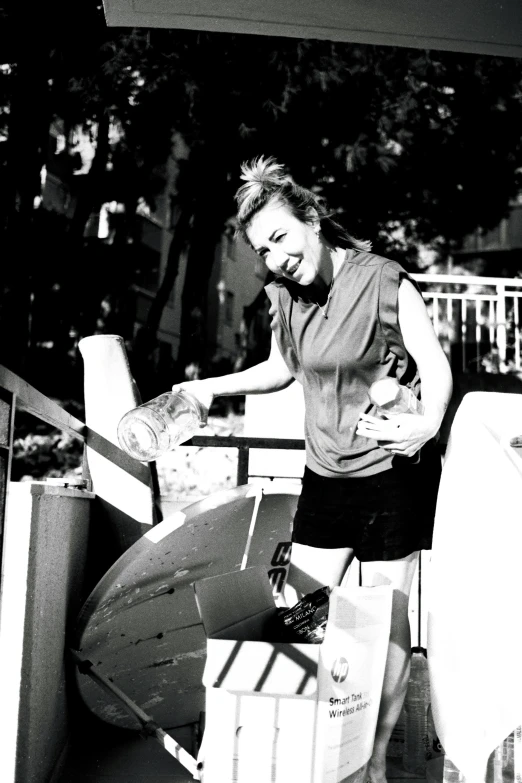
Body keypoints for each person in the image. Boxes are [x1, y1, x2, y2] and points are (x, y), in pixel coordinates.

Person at [172, 156, 453, 783]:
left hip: (392, 473)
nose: (275, 257)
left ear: (312, 219)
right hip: (326, 475)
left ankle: (372, 763)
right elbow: (280, 368)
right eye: (262, 250)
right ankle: (305, 748)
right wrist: (209, 387)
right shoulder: (284, 297)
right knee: (299, 613)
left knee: (385, 622)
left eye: (280, 237)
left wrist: (428, 421)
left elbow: (436, 368)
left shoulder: (384, 280)